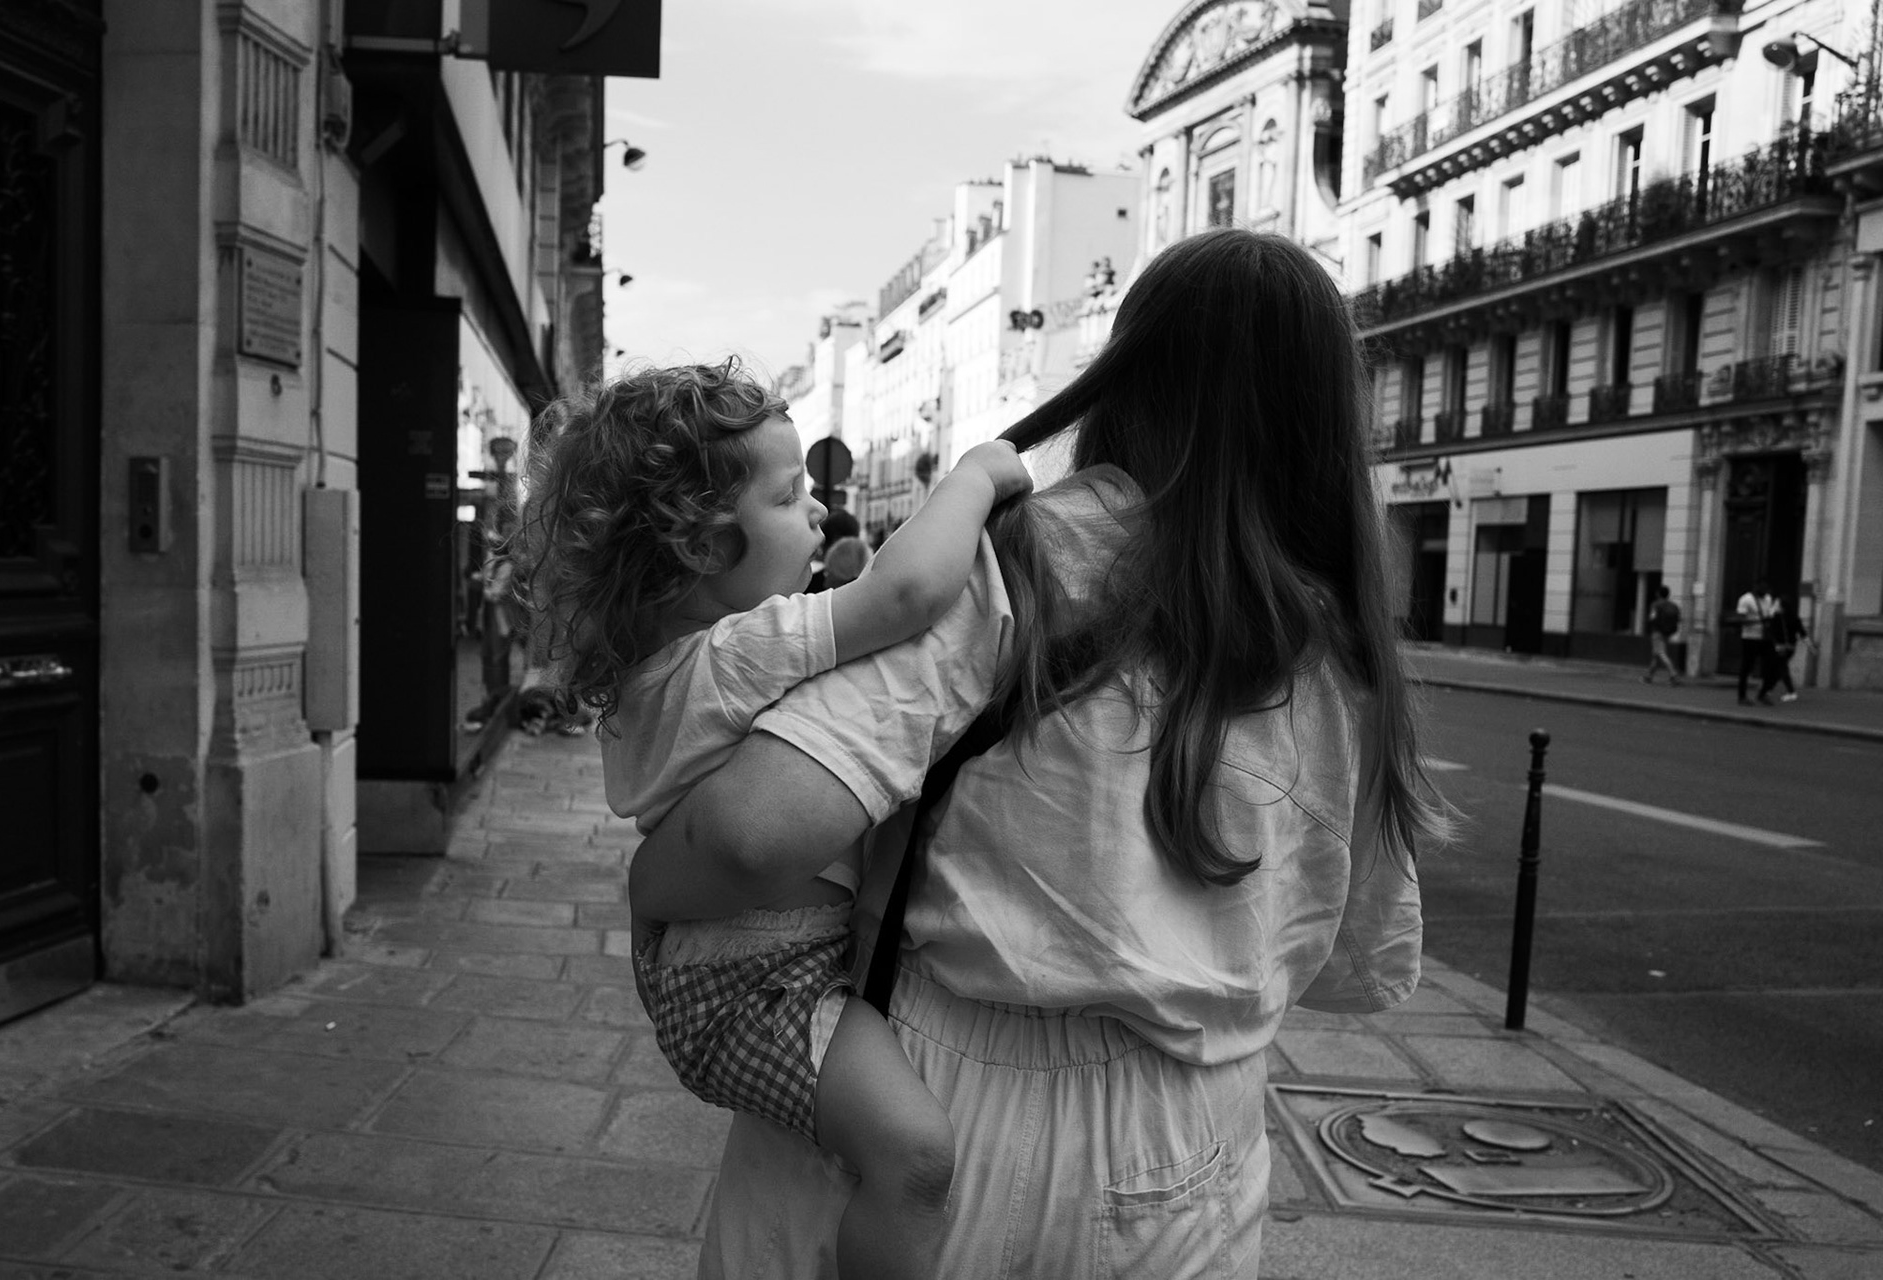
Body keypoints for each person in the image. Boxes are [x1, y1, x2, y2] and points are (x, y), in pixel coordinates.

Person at [631, 230, 1442, 1278]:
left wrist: (652, 877)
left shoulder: (1019, 558)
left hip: (946, 1104)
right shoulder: (1350, 642)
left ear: (1127, 375)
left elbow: (748, 832)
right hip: (1197, 1143)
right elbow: (1358, 960)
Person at [510, 358, 1032, 1280]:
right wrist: (978, 476)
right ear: (708, 549)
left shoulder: (664, 667)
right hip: (757, 985)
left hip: (722, 974)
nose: (821, 512)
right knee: (915, 1159)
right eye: (791, 498)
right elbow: (906, 598)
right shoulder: (737, 654)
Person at [1736, 579, 1778, 705]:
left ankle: (1763, 693)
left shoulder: (1768, 599)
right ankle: (1742, 696)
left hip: (1765, 637)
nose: (1765, 592)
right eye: (1762, 588)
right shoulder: (1746, 600)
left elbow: (1770, 614)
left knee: (1771, 666)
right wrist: (1759, 621)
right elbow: (1741, 620)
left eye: (1766, 589)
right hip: (1750, 638)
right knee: (1746, 667)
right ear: (1756, 587)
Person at [1643, 584, 1681, 685]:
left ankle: (1673, 674)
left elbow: (1652, 617)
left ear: (1658, 594)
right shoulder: (1673, 605)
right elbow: (1678, 619)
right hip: (1667, 632)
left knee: (1660, 653)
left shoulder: (1656, 604)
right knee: (1656, 655)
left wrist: (1649, 625)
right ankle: (1648, 676)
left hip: (1657, 631)